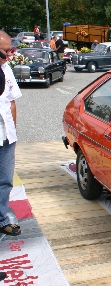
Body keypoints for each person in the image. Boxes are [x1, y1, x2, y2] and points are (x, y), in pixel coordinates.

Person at [0, 31, 23, 237]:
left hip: (6, 134)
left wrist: (12, 133)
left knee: (5, 180)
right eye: (6, 51)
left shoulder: (6, 69)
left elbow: (11, 101)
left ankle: (1, 219)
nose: (10, 55)